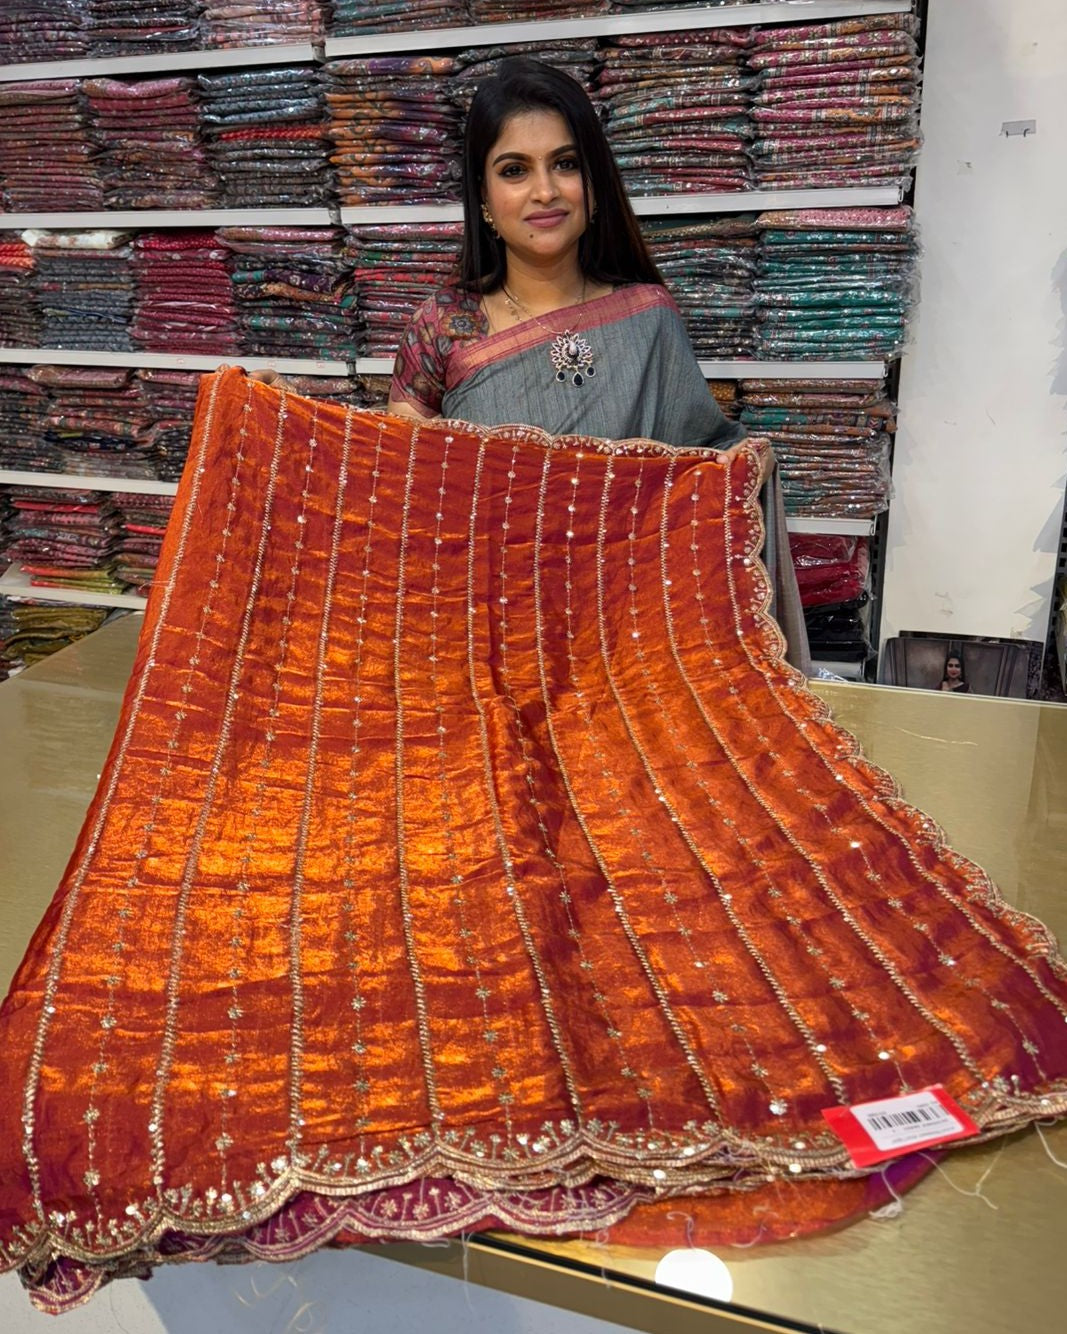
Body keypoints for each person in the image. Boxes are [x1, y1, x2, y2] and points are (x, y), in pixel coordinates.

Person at [385, 55, 749, 461]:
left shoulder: (650, 319)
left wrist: (748, 463)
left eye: (566, 164)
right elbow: (404, 481)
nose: (545, 191)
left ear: (594, 183)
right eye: (514, 170)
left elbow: (709, 462)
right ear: (483, 195)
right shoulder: (439, 331)